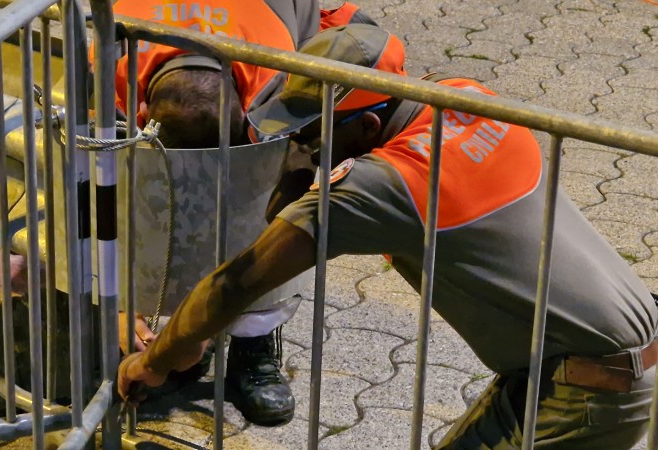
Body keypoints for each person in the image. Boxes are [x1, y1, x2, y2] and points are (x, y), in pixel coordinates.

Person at [117, 23, 658, 447]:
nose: (305, 146)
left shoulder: (384, 184)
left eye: (314, 132)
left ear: (369, 129)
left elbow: (239, 282)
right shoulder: (464, 97)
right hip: (594, 351)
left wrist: (160, 357)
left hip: (587, 388)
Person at [105, 0, 379, 427]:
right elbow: (106, 165)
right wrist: (127, 297)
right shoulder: (116, 54)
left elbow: (295, 152)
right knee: (135, 180)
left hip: (270, 41)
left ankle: (253, 340)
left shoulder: (276, 66)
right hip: (191, 69)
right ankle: (167, 316)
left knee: (264, 192)